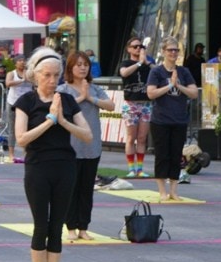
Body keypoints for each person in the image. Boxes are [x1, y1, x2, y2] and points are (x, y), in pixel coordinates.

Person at [14, 48, 92, 262]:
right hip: (37, 167)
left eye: (56, 75)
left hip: (65, 166)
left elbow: (87, 135)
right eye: (47, 75)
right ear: (35, 76)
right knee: (41, 225)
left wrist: (63, 121)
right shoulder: (26, 102)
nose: (52, 80)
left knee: (57, 225)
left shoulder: (67, 100)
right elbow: (21, 139)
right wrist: (49, 120)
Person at [58, 51, 114, 240]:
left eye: (85, 64)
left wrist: (90, 97)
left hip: (91, 146)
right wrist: (81, 97)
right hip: (71, 146)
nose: (82, 68)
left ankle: (83, 226)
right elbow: (61, 110)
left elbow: (110, 105)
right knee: (71, 188)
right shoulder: (63, 90)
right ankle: (71, 226)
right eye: (78, 64)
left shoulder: (95, 88)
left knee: (86, 188)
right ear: (70, 68)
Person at [147, 37, 198, 202]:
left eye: (176, 50)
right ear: (163, 52)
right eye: (170, 50)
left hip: (179, 120)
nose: (173, 53)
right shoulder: (156, 71)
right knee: (162, 155)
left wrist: (178, 86)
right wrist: (169, 86)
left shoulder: (184, 71)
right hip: (160, 120)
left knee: (176, 155)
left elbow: (194, 93)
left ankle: (174, 190)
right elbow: (151, 93)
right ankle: (162, 190)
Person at [118, 37, 152, 177]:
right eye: (135, 46)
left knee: (142, 137)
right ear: (129, 49)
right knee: (131, 137)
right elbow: (124, 73)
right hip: (131, 104)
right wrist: (139, 63)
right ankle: (131, 168)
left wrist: (147, 63)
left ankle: (140, 169)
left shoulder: (147, 64)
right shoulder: (126, 63)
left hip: (145, 103)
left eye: (141, 46)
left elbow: (159, 71)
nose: (138, 49)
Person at [5, 54, 31, 163]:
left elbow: (36, 82)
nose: (22, 62)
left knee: (27, 129)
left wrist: (28, 78)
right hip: (13, 103)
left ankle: (26, 153)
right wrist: (22, 81)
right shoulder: (12, 73)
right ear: (15, 63)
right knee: (12, 129)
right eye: (19, 60)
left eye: (23, 60)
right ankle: (11, 154)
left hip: (27, 104)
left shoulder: (29, 74)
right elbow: (8, 83)